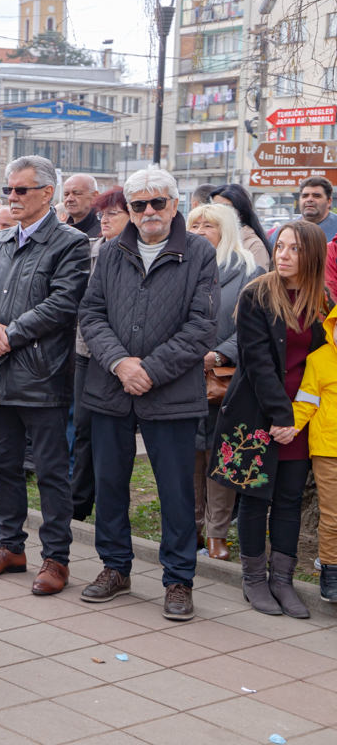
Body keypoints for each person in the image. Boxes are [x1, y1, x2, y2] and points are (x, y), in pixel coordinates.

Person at [79, 167, 218, 622]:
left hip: (171, 392)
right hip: (111, 387)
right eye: (139, 205)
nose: (149, 212)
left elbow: (202, 326)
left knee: (176, 491)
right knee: (110, 483)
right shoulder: (112, 250)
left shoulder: (198, 252)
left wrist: (150, 371)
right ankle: (115, 568)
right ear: (131, 210)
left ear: (175, 205)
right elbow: (92, 314)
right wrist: (120, 363)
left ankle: (179, 579)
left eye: (158, 202)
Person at [0, 155, 89, 597]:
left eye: (21, 190)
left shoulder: (70, 243)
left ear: (47, 194)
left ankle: (56, 558)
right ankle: (10, 548)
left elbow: (62, 304)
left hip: (43, 377)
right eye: (7, 190)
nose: (12, 197)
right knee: (3, 466)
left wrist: (8, 335)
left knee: (52, 473)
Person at [210, 220, 329, 619]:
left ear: (312, 255)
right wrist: (282, 417)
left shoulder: (323, 302)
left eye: (294, 249)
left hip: (301, 417)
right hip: (258, 415)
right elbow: (258, 363)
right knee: (255, 497)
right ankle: (255, 579)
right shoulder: (257, 294)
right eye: (281, 247)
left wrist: (296, 419)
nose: (284, 255)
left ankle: (283, 579)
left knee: (290, 501)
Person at [186, 203, 263, 559]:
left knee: (224, 454)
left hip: (227, 380)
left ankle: (217, 533)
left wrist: (217, 355)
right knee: (189, 457)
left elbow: (253, 328)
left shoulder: (250, 270)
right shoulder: (180, 265)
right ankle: (192, 530)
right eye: (195, 224)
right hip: (183, 376)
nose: (200, 230)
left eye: (209, 225)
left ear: (227, 229)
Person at [69, 187, 126, 521]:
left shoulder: (130, 254)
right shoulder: (87, 249)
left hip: (119, 357)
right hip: (84, 351)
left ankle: (109, 507)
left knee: (112, 435)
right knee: (83, 428)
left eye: (112, 214)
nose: (104, 220)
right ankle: (78, 504)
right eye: (102, 214)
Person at [292, 302, 337, 602]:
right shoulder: (319, 359)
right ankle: (331, 570)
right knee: (332, 515)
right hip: (327, 449)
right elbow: (306, 401)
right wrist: (289, 427)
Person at [210, 184, 271, 270]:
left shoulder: (254, 246)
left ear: (241, 213)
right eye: (214, 208)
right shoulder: (210, 240)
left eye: (226, 208)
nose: (219, 213)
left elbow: (258, 281)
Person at [275, 176, 336, 243]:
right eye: (305, 196)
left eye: (316, 196)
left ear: (329, 201)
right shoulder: (283, 232)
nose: (309, 199)